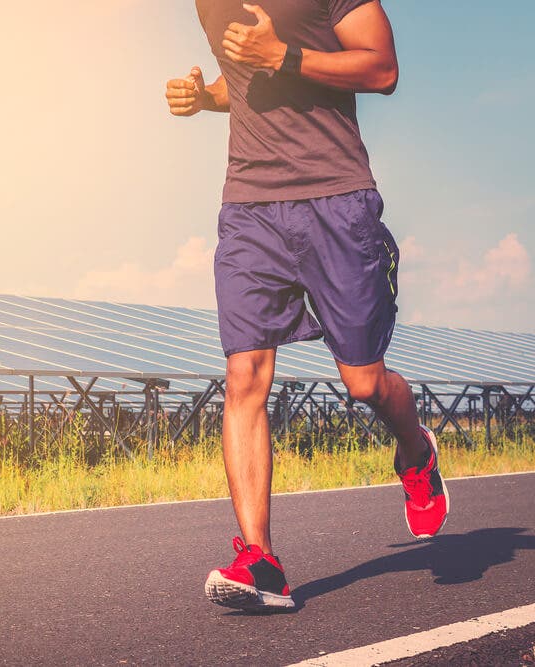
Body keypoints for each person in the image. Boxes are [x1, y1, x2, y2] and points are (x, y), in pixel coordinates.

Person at [165, 0, 448, 612]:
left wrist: (284, 54)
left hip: (336, 196)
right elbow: (242, 83)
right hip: (249, 207)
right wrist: (205, 97)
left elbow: (381, 69)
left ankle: (416, 450)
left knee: (364, 382)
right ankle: (260, 561)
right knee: (244, 376)